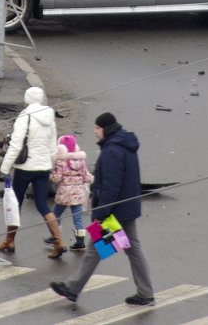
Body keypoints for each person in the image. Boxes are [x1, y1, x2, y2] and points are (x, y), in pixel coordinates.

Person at [50, 112, 155, 307]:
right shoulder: (124, 145)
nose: (94, 131)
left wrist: (100, 213)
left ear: (105, 129)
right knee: (127, 248)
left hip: (115, 209)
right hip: (126, 206)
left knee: (96, 249)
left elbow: (110, 186)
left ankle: (73, 289)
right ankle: (145, 293)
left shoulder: (112, 151)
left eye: (97, 128)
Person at [0, 86, 65, 258]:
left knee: (15, 204)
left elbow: (16, 145)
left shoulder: (24, 116)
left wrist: (5, 167)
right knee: (42, 205)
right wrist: (50, 165)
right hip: (43, 167)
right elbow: (53, 146)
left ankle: (9, 241)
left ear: (27, 99)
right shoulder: (49, 116)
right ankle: (59, 242)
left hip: (25, 168)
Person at [45, 134, 93, 252]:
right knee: (77, 217)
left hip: (64, 194)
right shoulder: (81, 162)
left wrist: (50, 176)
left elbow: (56, 178)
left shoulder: (62, 162)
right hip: (78, 195)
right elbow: (86, 177)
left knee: (56, 214)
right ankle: (80, 241)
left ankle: (55, 236)